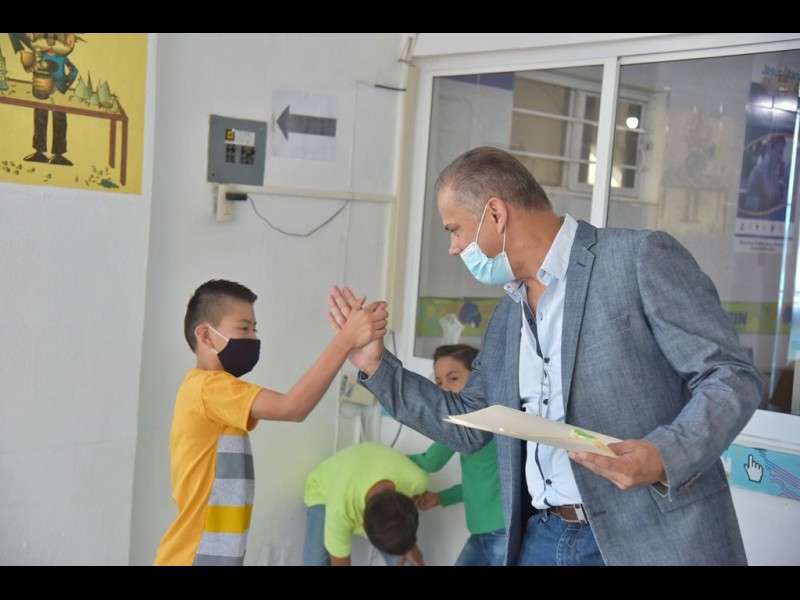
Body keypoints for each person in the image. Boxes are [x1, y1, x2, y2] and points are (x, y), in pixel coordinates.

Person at [328, 146, 763, 566]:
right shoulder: (506, 317)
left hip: (647, 534)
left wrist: (664, 454)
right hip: (545, 535)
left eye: (455, 229)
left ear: (495, 215)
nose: (453, 247)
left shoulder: (636, 259)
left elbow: (730, 374)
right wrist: (376, 367)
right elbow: (470, 424)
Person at [154, 279, 387, 566]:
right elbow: (293, 408)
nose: (253, 338)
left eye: (255, 329)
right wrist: (344, 341)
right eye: (243, 328)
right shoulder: (209, 388)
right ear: (206, 335)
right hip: (193, 557)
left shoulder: (209, 391)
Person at [407, 344, 506, 566]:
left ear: (478, 378)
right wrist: (440, 498)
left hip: (501, 532)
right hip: (483, 533)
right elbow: (480, 484)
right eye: (439, 382)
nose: (444, 390)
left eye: (453, 378)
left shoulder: (470, 421)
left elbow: (431, 462)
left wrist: (387, 458)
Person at [303, 441, 429, 566]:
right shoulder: (340, 510)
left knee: (408, 563)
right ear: (363, 527)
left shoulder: (417, 480)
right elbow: (339, 562)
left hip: (363, 473)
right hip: (324, 492)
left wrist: (407, 544)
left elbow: (406, 510)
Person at [743, 135, 788, 214]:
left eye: (782, 153)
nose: (781, 158)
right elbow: (751, 212)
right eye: (779, 152)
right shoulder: (757, 174)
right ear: (769, 149)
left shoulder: (774, 174)